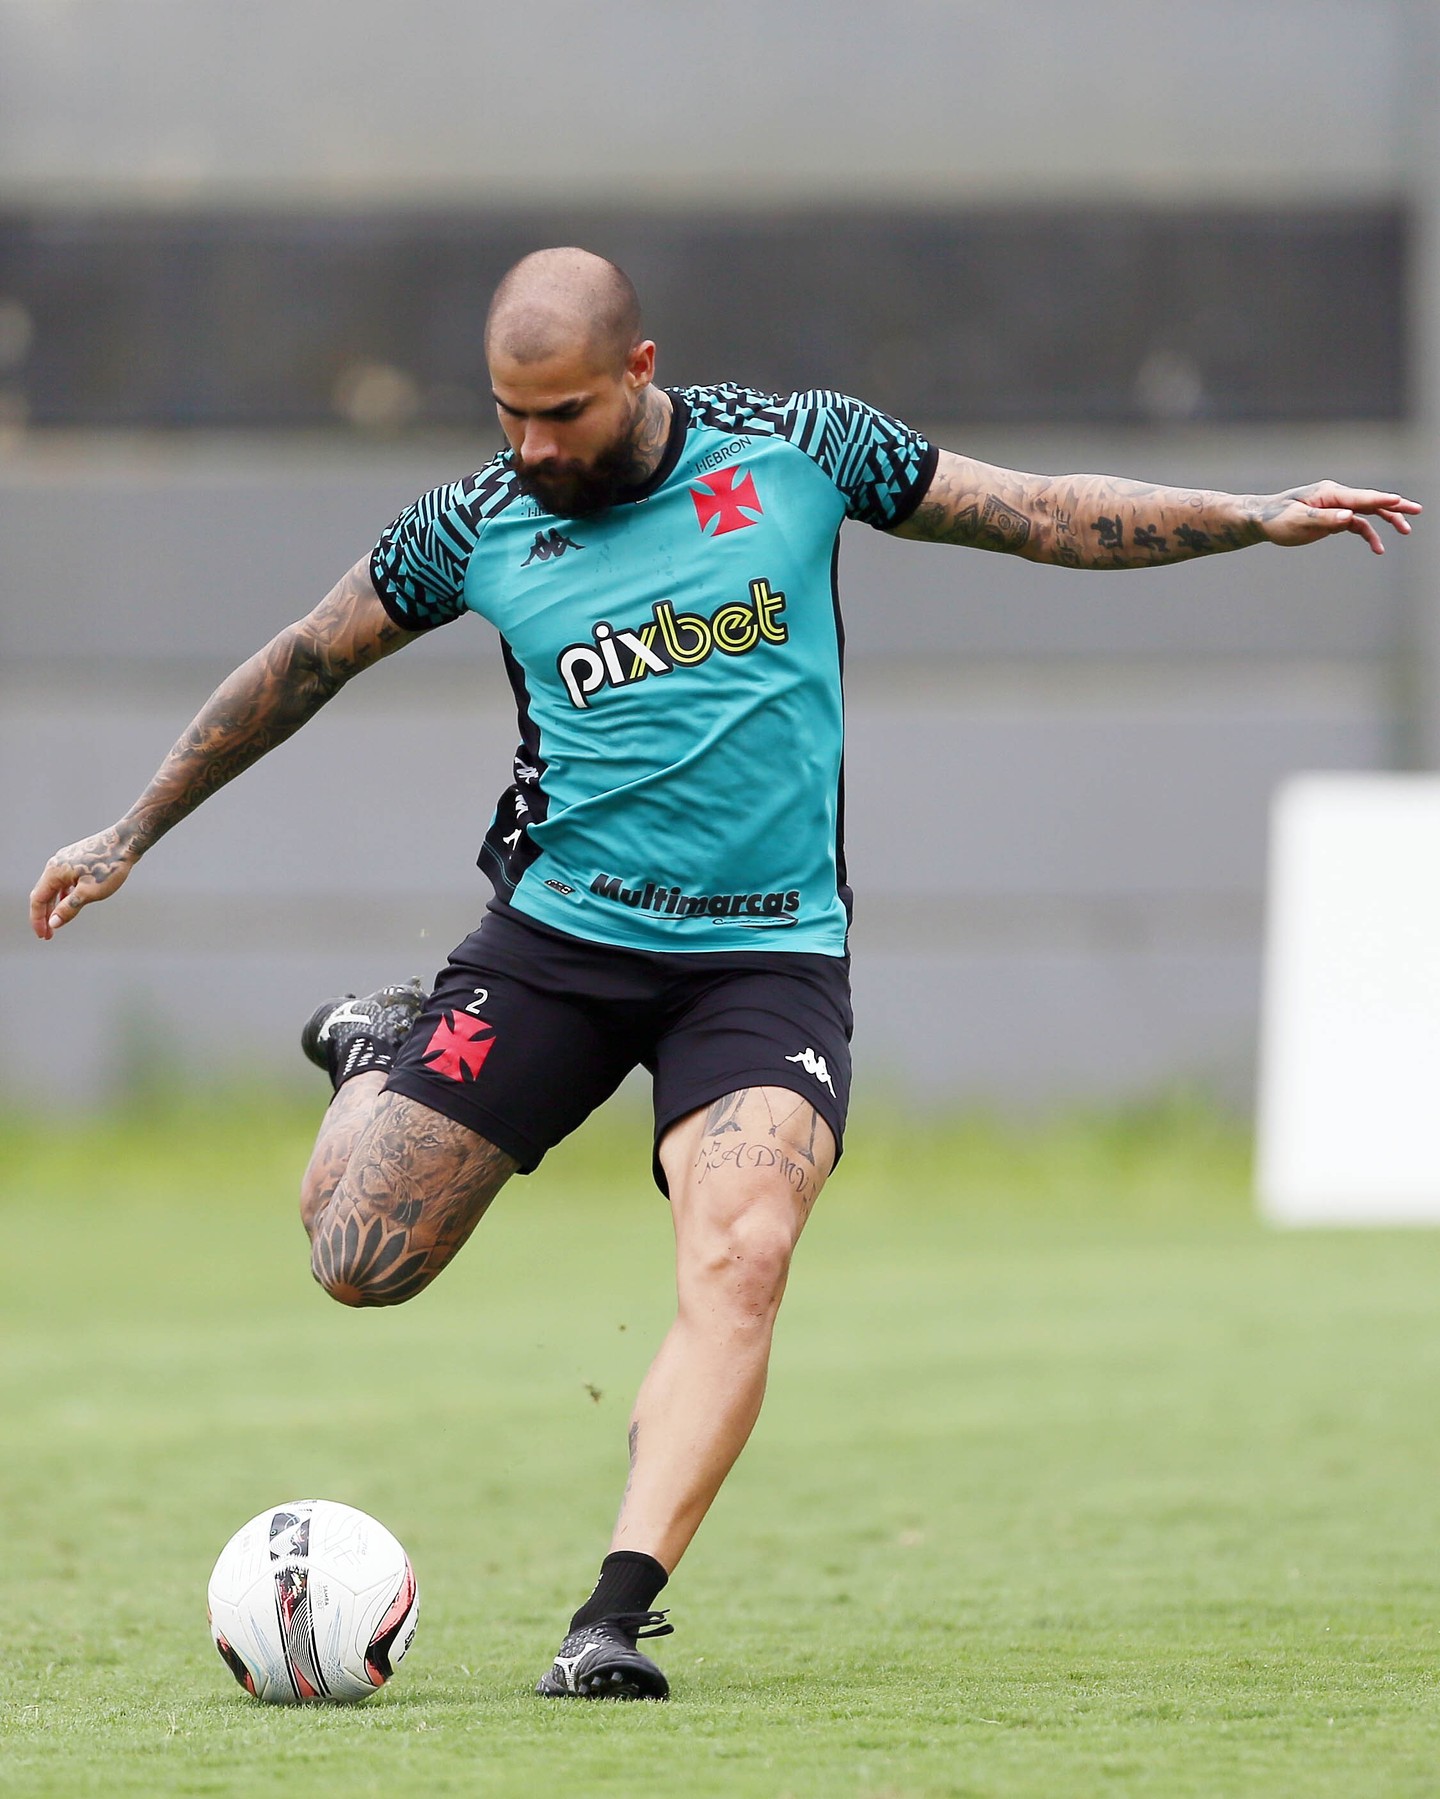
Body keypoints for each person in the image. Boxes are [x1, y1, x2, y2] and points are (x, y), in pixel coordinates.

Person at [30, 247, 1421, 1701]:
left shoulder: (802, 446)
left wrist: (1251, 517)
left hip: (764, 957)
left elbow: (1039, 512)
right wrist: (130, 831)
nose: (534, 447)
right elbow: (304, 660)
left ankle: (610, 1619)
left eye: (563, 413)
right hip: (559, 947)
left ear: (640, 371)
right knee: (358, 1262)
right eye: (509, 414)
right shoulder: (477, 522)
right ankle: (381, 1047)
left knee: (741, 1255)